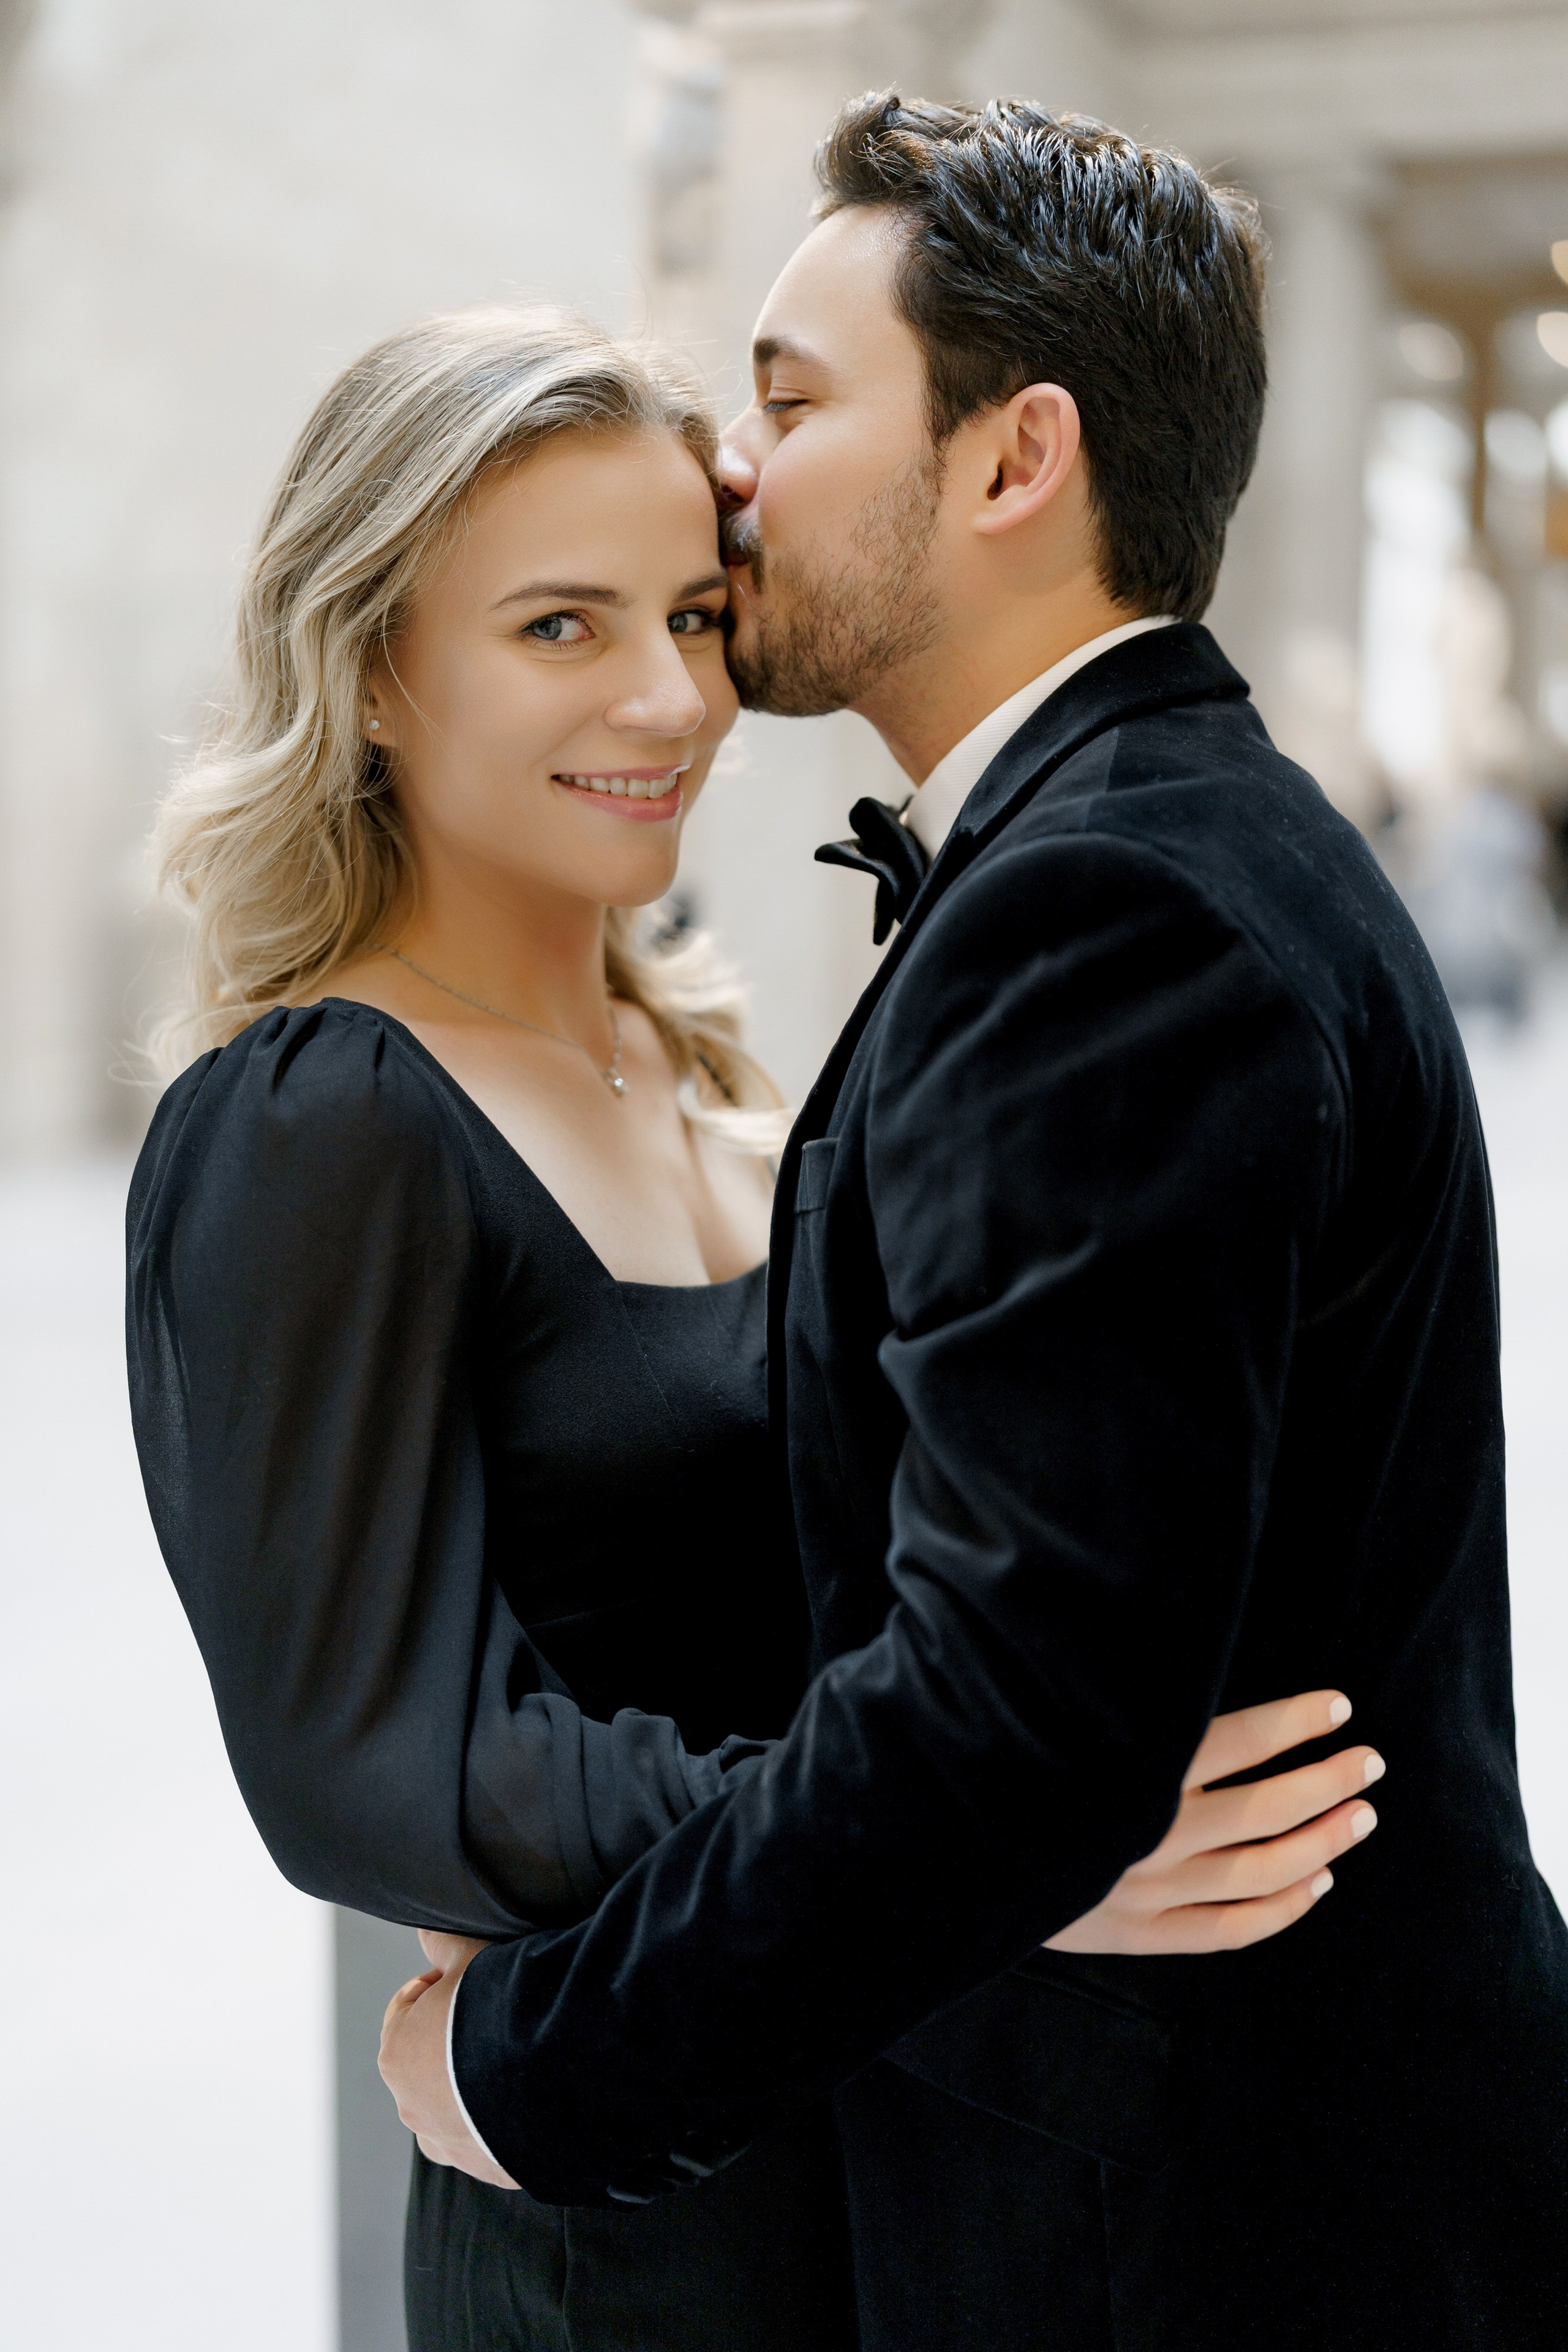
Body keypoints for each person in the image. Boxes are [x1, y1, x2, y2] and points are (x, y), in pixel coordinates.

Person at [382, 97, 1568, 2350]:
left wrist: (532, 2069)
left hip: (1200, 2236)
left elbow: (1011, 1714)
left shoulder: (1108, 912)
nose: (731, 470)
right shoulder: (1164, 844)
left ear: (1016, 461)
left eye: (796, 399)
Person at [127, 306, 1378, 2352]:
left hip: (893, 2145)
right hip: (625, 2232)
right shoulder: (320, 1120)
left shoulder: (721, 1082)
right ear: (369, 672)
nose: (667, 696)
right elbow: (371, 1765)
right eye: (558, 627)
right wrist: (987, 1855)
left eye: (698, 616)